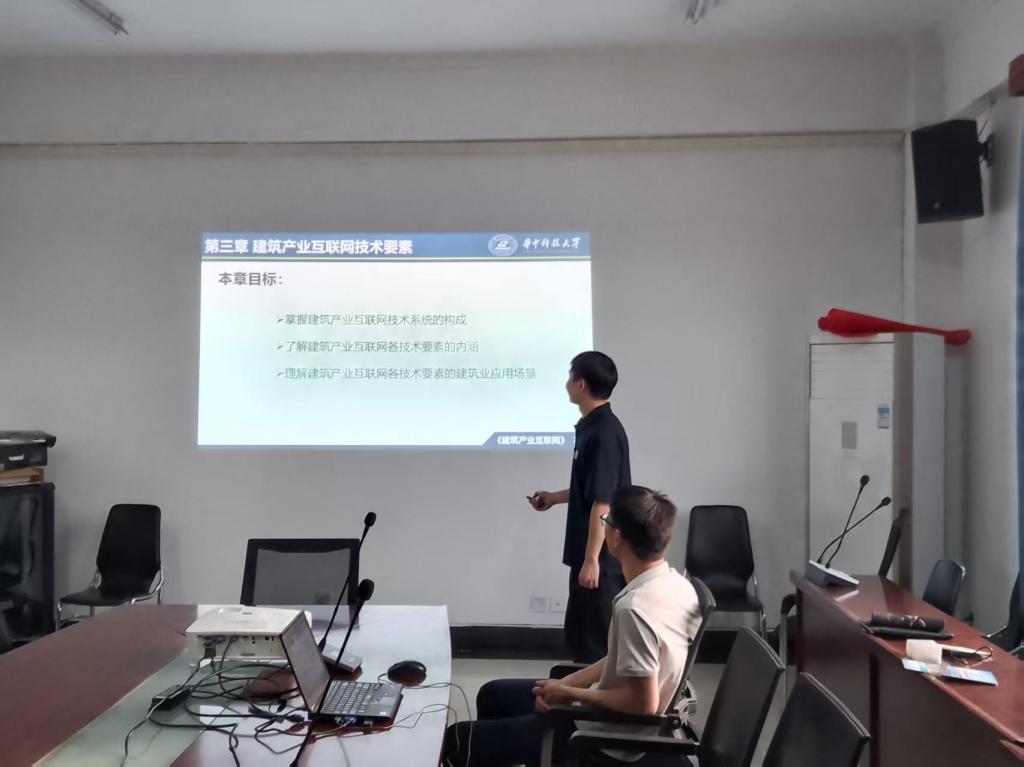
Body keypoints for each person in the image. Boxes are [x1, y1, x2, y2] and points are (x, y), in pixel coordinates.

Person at [443, 486, 701, 767]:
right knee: (492, 694)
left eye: (606, 521)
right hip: (603, 715)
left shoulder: (635, 608)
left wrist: (569, 695)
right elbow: (621, 661)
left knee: (458, 740)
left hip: (604, 739)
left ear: (615, 537)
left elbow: (643, 705)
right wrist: (564, 684)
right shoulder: (678, 586)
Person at [529, 351, 631, 663]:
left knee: (594, 643)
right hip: (589, 553)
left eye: (570, 377)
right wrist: (553, 497)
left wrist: (591, 559)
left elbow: (603, 501)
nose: (566, 383)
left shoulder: (603, 432)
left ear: (581, 384)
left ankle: (590, 694)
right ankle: (575, 688)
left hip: (601, 558)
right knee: (579, 634)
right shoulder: (591, 426)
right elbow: (590, 490)